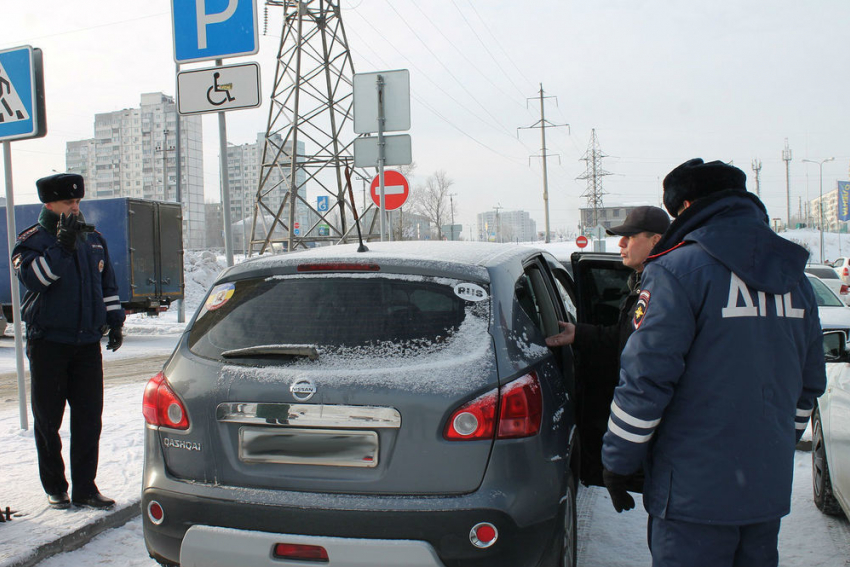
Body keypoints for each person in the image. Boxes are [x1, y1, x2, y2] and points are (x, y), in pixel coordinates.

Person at [600, 159, 826, 567]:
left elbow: (645, 382)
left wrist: (618, 462)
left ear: (687, 207)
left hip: (691, 496)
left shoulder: (675, 271)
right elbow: (810, 384)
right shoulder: (796, 280)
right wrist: (770, 444)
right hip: (764, 489)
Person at [12, 173, 125, 510]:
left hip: (87, 344)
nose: (74, 208)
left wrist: (115, 322)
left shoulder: (93, 240)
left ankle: (86, 488)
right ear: (49, 204)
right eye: (67, 203)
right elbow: (37, 279)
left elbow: (107, 286)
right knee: (48, 420)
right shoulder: (32, 241)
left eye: (77, 202)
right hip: (49, 343)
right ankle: (56, 487)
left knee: (89, 418)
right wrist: (62, 246)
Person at [546, 206, 669, 486]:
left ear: (656, 241)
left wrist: (620, 464)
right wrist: (580, 334)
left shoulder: (663, 288)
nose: (621, 244)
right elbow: (627, 337)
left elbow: (646, 368)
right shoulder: (648, 281)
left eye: (630, 237)